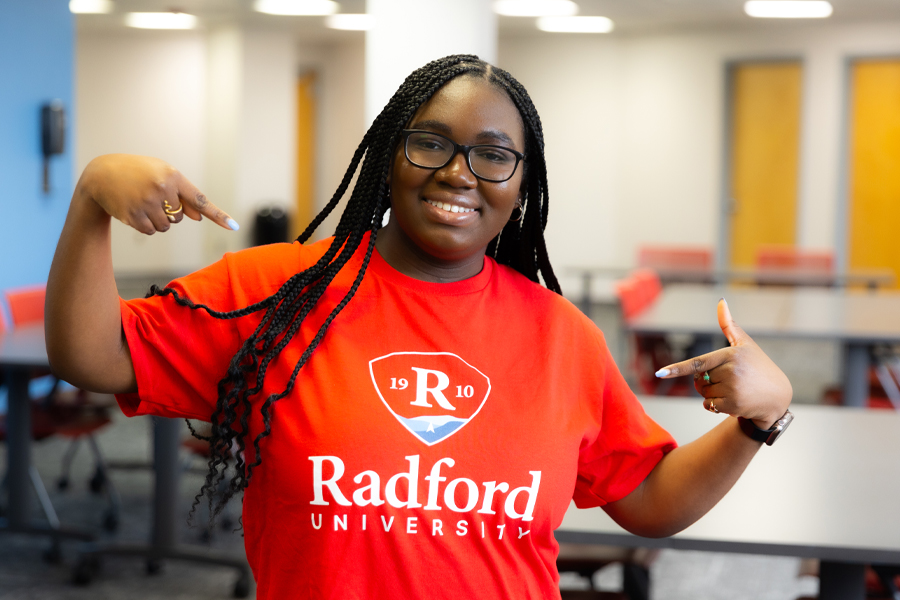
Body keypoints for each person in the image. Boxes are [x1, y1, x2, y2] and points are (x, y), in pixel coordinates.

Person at [46, 55, 792, 599]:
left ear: (522, 184)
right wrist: (90, 199)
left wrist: (759, 419)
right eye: (431, 143)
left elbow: (649, 499)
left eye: (494, 156)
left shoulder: (561, 337)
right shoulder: (278, 293)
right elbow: (93, 355)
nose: (459, 173)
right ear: (389, 153)